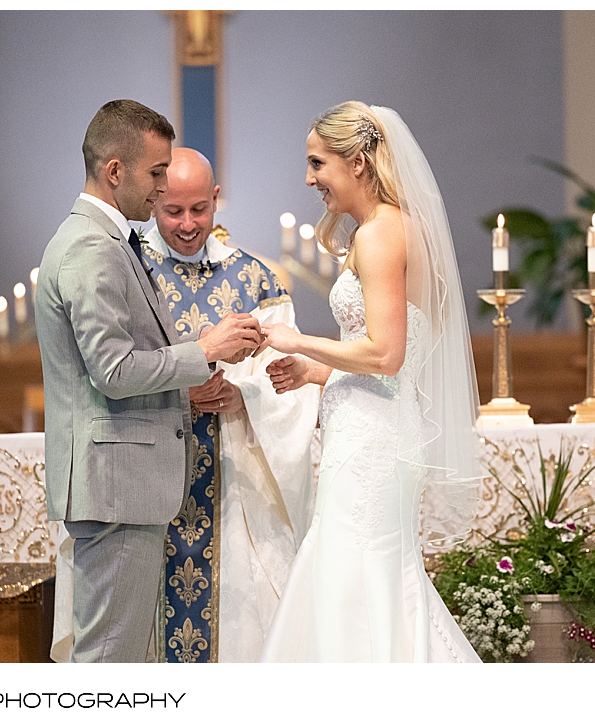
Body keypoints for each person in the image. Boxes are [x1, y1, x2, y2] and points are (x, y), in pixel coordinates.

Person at [51, 147, 321, 663]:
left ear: (216, 199)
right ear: (154, 202)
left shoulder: (256, 279)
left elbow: (290, 379)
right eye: (173, 210)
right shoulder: (127, 268)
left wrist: (245, 396)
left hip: (231, 481)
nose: (187, 223)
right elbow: (109, 367)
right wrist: (182, 389)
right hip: (142, 475)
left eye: (199, 209)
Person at [35, 99, 262, 663]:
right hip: (116, 485)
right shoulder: (92, 246)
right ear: (116, 171)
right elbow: (112, 371)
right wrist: (203, 350)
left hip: (121, 484)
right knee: (108, 663)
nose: (162, 189)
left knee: (119, 658)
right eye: (156, 173)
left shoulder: (107, 241)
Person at [257, 101, 483, 662]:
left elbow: (385, 353)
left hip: (372, 441)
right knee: (366, 575)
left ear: (358, 162)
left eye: (318, 163)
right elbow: (390, 349)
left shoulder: (383, 234)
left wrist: (299, 341)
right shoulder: (386, 230)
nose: (310, 179)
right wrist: (317, 371)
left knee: (353, 573)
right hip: (374, 429)